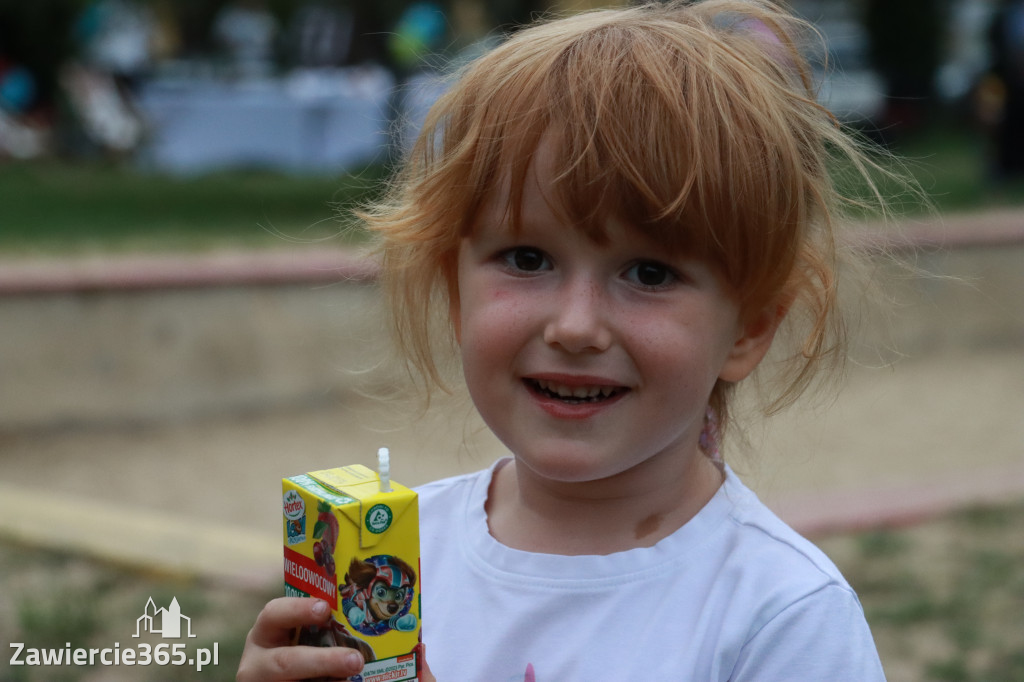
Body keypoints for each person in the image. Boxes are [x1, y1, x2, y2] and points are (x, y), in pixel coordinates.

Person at [238, 1, 902, 679]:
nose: (575, 326)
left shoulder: (781, 617)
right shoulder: (396, 563)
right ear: (455, 288)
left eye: (649, 272)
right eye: (527, 259)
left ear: (751, 327)